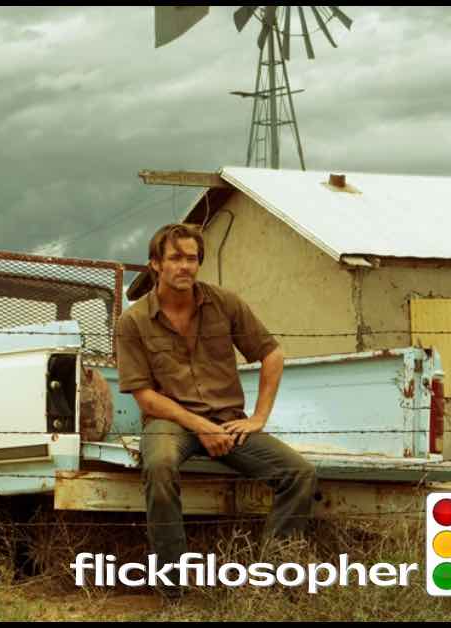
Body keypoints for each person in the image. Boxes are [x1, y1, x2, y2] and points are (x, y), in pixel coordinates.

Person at [115, 223, 317, 599]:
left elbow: (272, 354)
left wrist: (258, 418)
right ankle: (174, 591)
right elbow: (144, 396)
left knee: (299, 473)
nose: (185, 266)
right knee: (159, 466)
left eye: (192, 258)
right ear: (155, 264)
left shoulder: (225, 304)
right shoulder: (133, 321)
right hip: (170, 421)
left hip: (228, 421)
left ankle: (271, 583)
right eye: (175, 258)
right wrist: (199, 426)